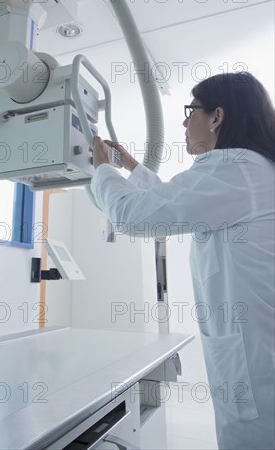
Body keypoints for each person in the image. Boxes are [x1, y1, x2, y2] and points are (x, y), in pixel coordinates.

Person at [91, 72, 275, 450]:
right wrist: (130, 166)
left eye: (190, 110)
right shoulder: (251, 170)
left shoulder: (234, 166)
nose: (184, 121)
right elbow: (177, 203)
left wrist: (101, 170)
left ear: (217, 116)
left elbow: (136, 216)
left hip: (257, 365)